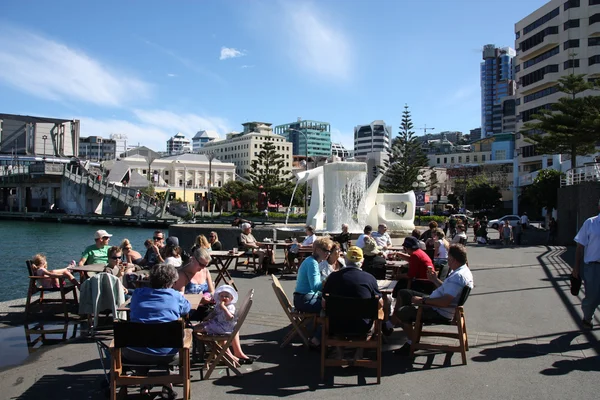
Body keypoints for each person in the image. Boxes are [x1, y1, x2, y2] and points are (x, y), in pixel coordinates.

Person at [390, 244, 474, 355]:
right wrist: (434, 280)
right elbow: (447, 290)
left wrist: (422, 301)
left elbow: (445, 302)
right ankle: (394, 323)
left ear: (453, 259)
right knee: (404, 293)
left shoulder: (458, 277)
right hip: (437, 304)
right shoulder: (462, 271)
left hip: (439, 311)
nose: (448, 261)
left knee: (403, 312)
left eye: (449, 259)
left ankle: (411, 341)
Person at [122, 264, 191, 398]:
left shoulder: (137, 294)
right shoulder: (175, 296)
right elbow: (186, 309)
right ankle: (167, 383)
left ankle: (144, 386)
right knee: (165, 341)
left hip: (135, 352)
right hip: (167, 353)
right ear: (171, 282)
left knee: (144, 343)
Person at [322, 246, 382, 337]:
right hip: (362, 326)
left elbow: (324, 303)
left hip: (336, 326)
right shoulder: (370, 278)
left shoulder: (333, 277)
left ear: (345, 260)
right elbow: (379, 304)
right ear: (362, 262)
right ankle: (361, 350)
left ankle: (338, 349)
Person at [573, 199, 600, 330]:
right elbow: (580, 246)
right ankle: (587, 318)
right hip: (593, 266)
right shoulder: (591, 223)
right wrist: (576, 268)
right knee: (592, 297)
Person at [294, 236, 334, 315]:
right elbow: (315, 287)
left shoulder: (311, 260)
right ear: (318, 250)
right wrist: (329, 278)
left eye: (329, 251)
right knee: (335, 306)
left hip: (302, 298)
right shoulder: (312, 263)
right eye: (326, 251)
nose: (328, 253)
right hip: (304, 300)